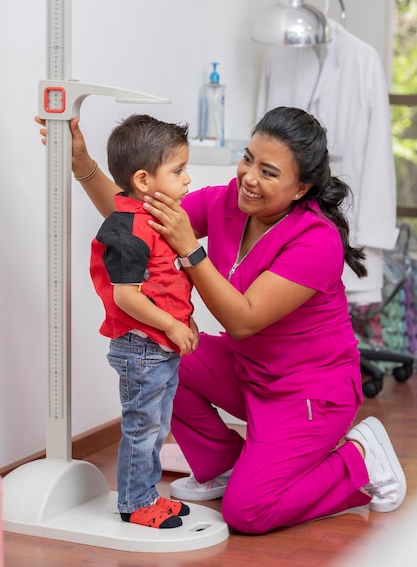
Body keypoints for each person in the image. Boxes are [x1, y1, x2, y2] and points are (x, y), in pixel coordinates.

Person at [36, 106, 407, 535]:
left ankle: (359, 459)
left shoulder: (316, 239)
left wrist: (191, 250)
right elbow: (135, 220)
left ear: (301, 186)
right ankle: (224, 466)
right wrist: (83, 166)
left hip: (308, 392)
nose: (249, 177)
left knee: (248, 513)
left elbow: (244, 320)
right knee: (157, 356)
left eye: (268, 172)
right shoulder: (226, 201)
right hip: (249, 371)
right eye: (248, 158)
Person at [87, 114, 198, 529]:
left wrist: (186, 322)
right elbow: (125, 296)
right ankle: (135, 503)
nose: (187, 179)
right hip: (143, 348)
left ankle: (147, 494)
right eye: (179, 170)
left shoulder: (160, 220)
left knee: (157, 425)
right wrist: (171, 326)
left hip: (161, 347)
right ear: (143, 180)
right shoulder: (129, 229)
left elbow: (170, 284)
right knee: (143, 427)